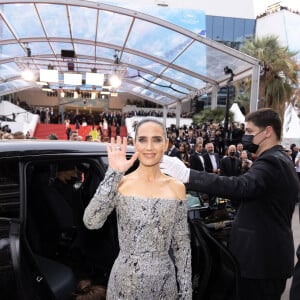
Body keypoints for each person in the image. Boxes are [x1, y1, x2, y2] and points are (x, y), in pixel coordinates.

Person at [160, 108, 299, 300]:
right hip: (264, 260)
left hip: (260, 262)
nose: (245, 136)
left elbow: (241, 186)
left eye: (250, 131)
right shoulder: (277, 159)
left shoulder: (272, 162)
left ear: (267, 131)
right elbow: (251, 196)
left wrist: (188, 175)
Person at [83, 118, 192, 299]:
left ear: (165, 145)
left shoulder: (177, 187)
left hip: (164, 283)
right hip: (125, 282)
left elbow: (182, 245)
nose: (149, 146)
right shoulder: (120, 184)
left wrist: (186, 292)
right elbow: (91, 221)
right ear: (135, 143)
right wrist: (113, 173)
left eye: (156, 139)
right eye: (142, 139)